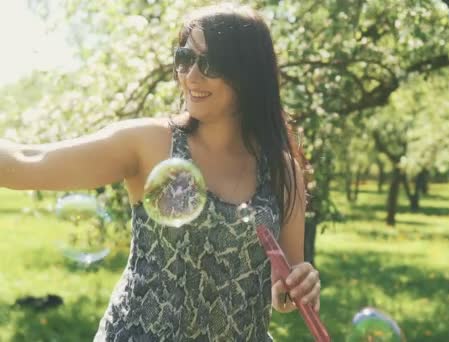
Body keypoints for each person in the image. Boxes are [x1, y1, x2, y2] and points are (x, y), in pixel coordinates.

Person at [0, 3, 321, 341]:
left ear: (248, 74)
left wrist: (297, 286)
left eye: (210, 63)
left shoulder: (282, 170)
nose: (191, 75)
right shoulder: (148, 144)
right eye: (185, 58)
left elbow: (283, 289)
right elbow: (26, 160)